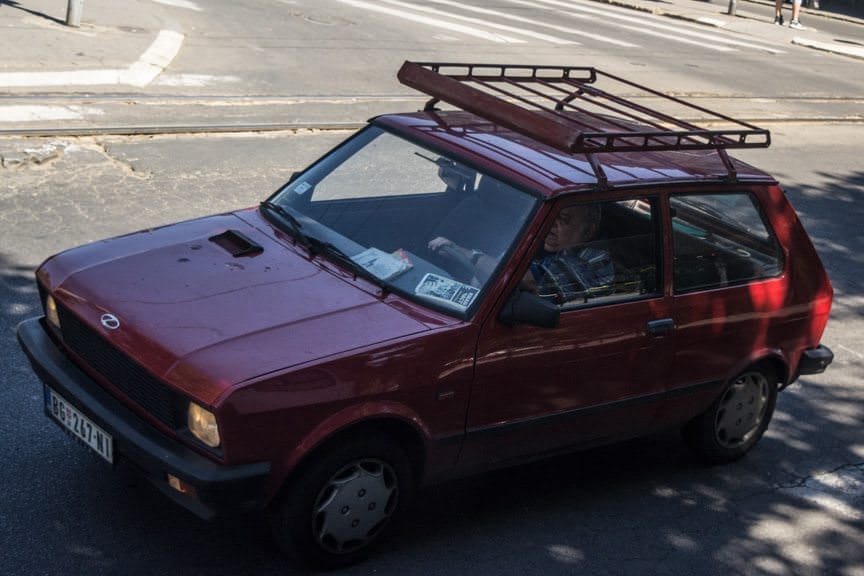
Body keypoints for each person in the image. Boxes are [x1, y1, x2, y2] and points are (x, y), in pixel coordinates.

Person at [429, 203, 614, 304]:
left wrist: (470, 255)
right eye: (552, 217)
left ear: (588, 230)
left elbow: (525, 279)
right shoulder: (563, 251)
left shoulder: (595, 260)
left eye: (563, 220)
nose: (551, 225)